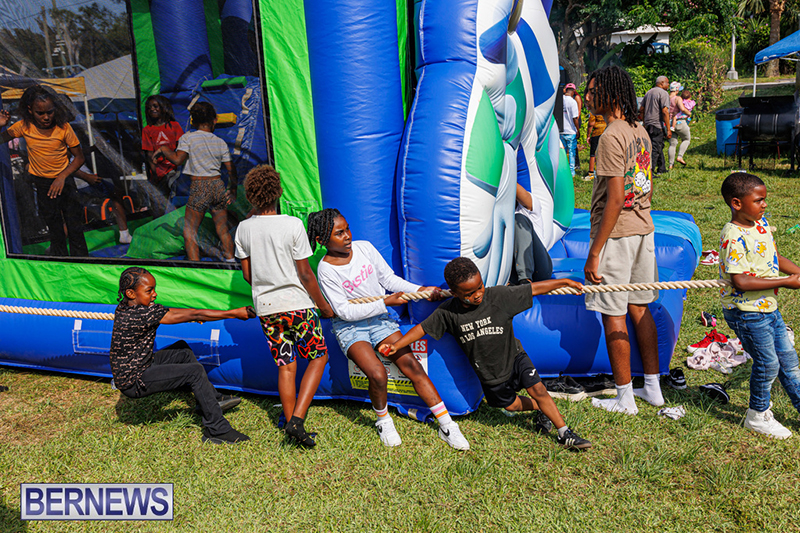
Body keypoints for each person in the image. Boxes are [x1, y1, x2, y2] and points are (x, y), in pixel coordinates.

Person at [380, 257, 592, 450]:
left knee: (538, 389)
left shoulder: (498, 296)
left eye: (479, 287)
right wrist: (397, 345)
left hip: (515, 357)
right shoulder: (448, 312)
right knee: (510, 404)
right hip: (490, 376)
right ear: (455, 293)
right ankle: (540, 408)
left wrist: (564, 283)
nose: (478, 294)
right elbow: (422, 328)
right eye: (470, 294)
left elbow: (533, 289)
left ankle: (564, 433)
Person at [308, 208, 470, 450]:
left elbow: (389, 280)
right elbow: (344, 311)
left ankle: (447, 425)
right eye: (339, 233)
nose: (347, 236)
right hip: (351, 328)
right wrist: (384, 301)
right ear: (322, 240)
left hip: (380, 321)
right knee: (377, 374)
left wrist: (419, 291)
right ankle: (383, 420)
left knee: (412, 365)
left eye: (347, 229)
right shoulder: (326, 269)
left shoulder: (364, 248)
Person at [234, 165, 335, 448]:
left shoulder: (243, 229)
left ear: (251, 196)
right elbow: (305, 274)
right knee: (318, 357)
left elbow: (247, 274)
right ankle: (298, 420)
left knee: (286, 366)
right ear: (278, 192)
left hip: (267, 309)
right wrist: (323, 306)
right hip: (298, 306)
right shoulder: (292, 224)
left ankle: (290, 419)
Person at [584, 66, 663, 415]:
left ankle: (625, 397)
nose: (586, 97)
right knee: (639, 307)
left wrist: (595, 252)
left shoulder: (611, 136)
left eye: (592, 91)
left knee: (613, 313)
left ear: (611, 96)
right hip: (644, 228)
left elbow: (615, 199)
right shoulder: (639, 130)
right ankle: (653, 389)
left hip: (617, 236)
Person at [110, 267, 253, 444]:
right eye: (149, 291)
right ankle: (217, 430)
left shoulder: (125, 306)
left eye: (154, 289)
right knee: (194, 371)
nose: (154, 294)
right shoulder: (143, 313)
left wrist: (190, 316)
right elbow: (194, 313)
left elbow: (180, 313)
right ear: (131, 293)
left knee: (182, 351)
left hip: (142, 364)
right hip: (135, 381)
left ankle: (210, 400)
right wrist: (235, 313)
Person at [718, 172, 800, 439]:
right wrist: (786, 282)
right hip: (746, 312)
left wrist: (796, 271)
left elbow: (773, 255)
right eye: (759, 200)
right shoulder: (733, 235)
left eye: (765, 199)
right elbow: (740, 281)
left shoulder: (760, 224)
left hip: (767, 307)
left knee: (788, 361)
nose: (764, 204)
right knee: (768, 363)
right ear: (736, 203)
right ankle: (757, 415)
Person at [0, 85, 88, 256]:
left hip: (65, 182)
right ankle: (61, 262)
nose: (46, 117)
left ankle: (83, 262)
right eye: (41, 113)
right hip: (43, 184)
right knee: (54, 230)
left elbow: (79, 157)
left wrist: (62, 177)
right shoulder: (24, 126)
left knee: (75, 227)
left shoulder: (63, 127)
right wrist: (1, 125)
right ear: (30, 110)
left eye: (50, 112)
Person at [154, 102, 237, 262]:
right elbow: (230, 168)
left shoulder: (188, 138)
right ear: (214, 120)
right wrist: (232, 189)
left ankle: (195, 266)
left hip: (201, 187)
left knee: (189, 231)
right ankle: (231, 261)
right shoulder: (219, 141)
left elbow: (178, 160)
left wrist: (164, 149)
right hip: (217, 186)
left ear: (192, 121)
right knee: (222, 229)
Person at [141, 95, 183, 219]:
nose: (152, 109)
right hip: (158, 174)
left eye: (155, 106)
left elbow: (181, 148)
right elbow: (149, 154)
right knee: (159, 205)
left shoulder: (174, 126)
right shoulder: (147, 130)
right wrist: (154, 174)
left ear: (163, 107)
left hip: (174, 171)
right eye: (149, 108)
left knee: (176, 200)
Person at [513, 185, 553, 283]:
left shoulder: (528, 207)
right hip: (512, 271)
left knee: (519, 219)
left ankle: (525, 278)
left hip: (539, 268)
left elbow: (515, 187)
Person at [638, 75, 671, 177]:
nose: (668, 85)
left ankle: (662, 168)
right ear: (662, 83)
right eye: (667, 83)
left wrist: (644, 122)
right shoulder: (663, 93)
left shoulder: (649, 92)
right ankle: (649, 172)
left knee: (658, 145)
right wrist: (668, 129)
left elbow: (641, 109)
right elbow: (665, 111)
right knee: (655, 149)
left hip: (648, 125)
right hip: (657, 124)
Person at [668, 84, 692, 169]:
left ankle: (671, 165)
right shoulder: (677, 98)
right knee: (686, 139)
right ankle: (680, 156)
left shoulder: (666, 98)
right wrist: (688, 113)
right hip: (679, 122)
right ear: (677, 90)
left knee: (672, 144)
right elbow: (682, 109)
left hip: (669, 122)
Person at [561, 85, 580, 177]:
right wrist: (577, 130)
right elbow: (575, 118)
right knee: (572, 152)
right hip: (571, 131)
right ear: (573, 91)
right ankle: (571, 172)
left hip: (561, 131)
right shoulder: (573, 102)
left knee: (562, 153)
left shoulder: (560, 100)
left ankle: (563, 171)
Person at [584, 110, 606, 182]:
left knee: (593, 153)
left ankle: (591, 173)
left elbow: (591, 123)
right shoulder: (608, 106)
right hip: (606, 131)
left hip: (597, 132)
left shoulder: (595, 109)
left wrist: (588, 135)